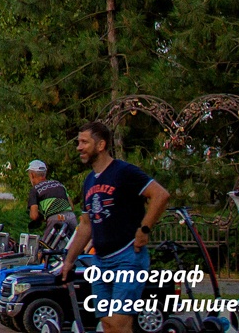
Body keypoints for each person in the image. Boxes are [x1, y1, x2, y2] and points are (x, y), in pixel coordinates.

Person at [58, 121, 171, 333]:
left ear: (100, 145)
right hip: (101, 261)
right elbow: (85, 225)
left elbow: (161, 195)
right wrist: (69, 260)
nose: (79, 147)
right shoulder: (89, 181)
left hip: (128, 257)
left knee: (120, 321)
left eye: (84, 142)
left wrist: (144, 229)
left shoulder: (124, 172)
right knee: (108, 324)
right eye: (78, 142)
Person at [26, 160, 76, 230]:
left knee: (45, 241)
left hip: (54, 219)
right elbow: (72, 207)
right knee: (75, 240)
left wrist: (42, 218)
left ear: (32, 175)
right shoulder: (59, 184)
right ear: (45, 174)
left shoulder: (34, 190)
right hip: (71, 217)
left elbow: (34, 216)